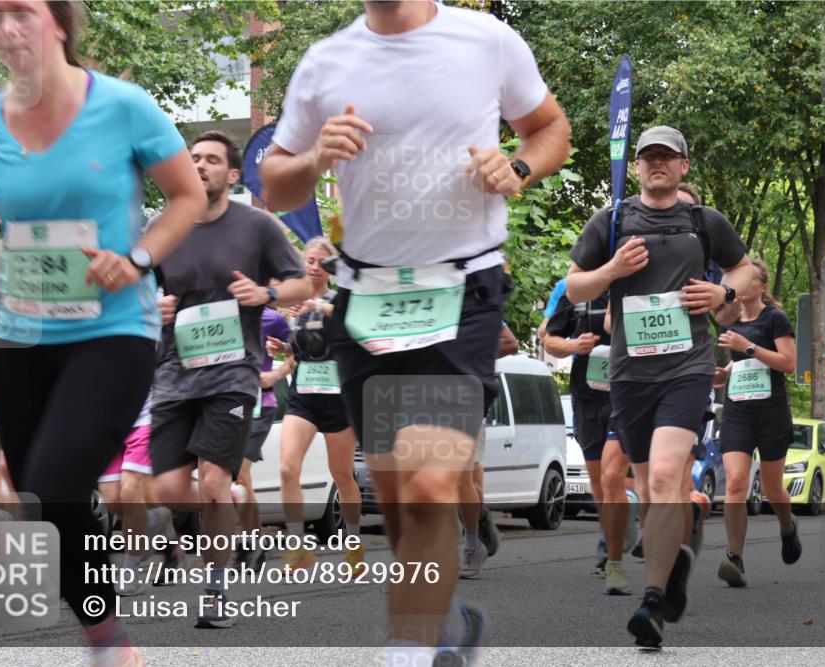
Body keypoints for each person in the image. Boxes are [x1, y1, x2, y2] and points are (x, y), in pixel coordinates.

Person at [261, 0, 570, 660]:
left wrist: (516, 166)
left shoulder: (485, 39)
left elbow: (549, 129)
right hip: (367, 295)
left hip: (461, 286)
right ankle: (446, 623)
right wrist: (316, 155)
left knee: (429, 485)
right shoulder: (326, 62)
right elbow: (276, 186)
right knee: (402, 498)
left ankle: (406, 650)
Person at [0, 3, 206, 664]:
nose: (7, 27)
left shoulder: (125, 107)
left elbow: (185, 196)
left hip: (113, 328)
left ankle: (110, 639)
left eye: (22, 12)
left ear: (61, 23)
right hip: (22, 335)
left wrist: (136, 259)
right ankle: (107, 634)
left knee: (53, 477)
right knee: (40, 497)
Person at [565, 125, 755, 648]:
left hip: (687, 367)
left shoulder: (703, 221)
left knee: (671, 473)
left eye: (666, 157)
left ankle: (651, 605)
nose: (656, 164)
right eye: (647, 156)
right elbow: (574, 284)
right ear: (637, 166)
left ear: (683, 166)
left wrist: (721, 290)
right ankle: (673, 564)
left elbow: (743, 270)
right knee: (650, 490)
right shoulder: (612, 220)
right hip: (629, 374)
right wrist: (610, 269)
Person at [150, 130, 310, 630]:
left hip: (233, 372)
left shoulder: (258, 226)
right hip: (175, 370)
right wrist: (152, 310)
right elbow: (134, 294)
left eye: (211, 160)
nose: (199, 166)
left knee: (215, 480)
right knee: (171, 488)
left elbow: (301, 283)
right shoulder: (161, 226)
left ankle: (216, 590)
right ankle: (232, 521)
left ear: (232, 174)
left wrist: (264, 293)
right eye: (192, 158)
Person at [269, 237, 365, 575]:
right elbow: (297, 356)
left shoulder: (337, 301)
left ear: (329, 268)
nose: (311, 265)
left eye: (319, 261)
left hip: (338, 398)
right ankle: (297, 547)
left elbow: (355, 325)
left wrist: (317, 307)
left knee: (341, 475)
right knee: (286, 468)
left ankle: (353, 544)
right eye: (307, 259)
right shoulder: (294, 309)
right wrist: (281, 349)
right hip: (303, 398)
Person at [712, 258, 802, 584]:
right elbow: (741, 362)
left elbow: (788, 363)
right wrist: (725, 373)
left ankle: (787, 527)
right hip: (737, 411)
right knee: (735, 483)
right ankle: (735, 557)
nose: (738, 282)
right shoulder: (730, 320)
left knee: (771, 487)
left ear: (761, 285)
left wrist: (748, 347)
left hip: (771, 412)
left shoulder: (774, 318)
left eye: (747, 278)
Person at [545, 286, 639, 595]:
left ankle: (614, 560)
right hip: (587, 395)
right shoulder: (574, 290)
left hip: (626, 393)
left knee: (613, 475)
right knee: (600, 481)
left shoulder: (637, 284)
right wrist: (574, 345)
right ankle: (612, 528)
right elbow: (550, 340)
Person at [97, 394, 180, 596]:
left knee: (130, 492)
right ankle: (158, 517)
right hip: (104, 425)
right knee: (113, 501)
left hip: (145, 419)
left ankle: (130, 574)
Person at [233, 305, 292, 572]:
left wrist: (276, 375)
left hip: (259, 402)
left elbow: (296, 355)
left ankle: (249, 547)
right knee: (228, 480)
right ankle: (252, 542)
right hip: (224, 402)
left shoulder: (273, 318)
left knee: (241, 475)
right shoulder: (216, 311)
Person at [458, 321, 518, 579]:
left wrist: (469, 354)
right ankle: (480, 518)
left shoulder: (477, 302)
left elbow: (510, 342)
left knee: (460, 472)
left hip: (469, 395)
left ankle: (472, 543)